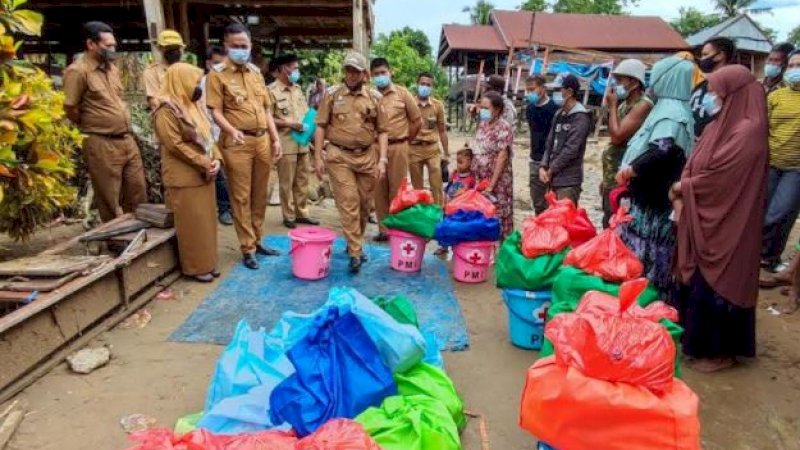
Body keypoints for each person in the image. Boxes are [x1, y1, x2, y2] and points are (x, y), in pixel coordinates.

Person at [672, 65, 769, 372]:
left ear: (735, 93)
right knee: (699, 280)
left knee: (722, 280)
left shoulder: (748, 131)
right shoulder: (721, 123)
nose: (711, 96)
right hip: (706, 218)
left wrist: (684, 187)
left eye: (716, 91)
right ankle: (698, 345)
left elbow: (722, 178)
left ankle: (721, 352)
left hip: (728, 223)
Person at [615, 55, 694, 296]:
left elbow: (662, 149)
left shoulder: (670, 112)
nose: (651, 83)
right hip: (651, 195)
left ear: (667, 78)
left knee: (647, 256)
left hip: (654, 200)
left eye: (655, 77)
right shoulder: (668, 108)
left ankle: (645, 303)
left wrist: (632, 168)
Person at [206, 23, 283, 270]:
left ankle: (258, 240)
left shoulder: (256, 73)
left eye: (244, 46)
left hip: (261, 140)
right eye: (235, 46)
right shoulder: (216, 75)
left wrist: (275, 138)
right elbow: (215, 111)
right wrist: (231, 130)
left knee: (260, 194)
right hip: (237, 143)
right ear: (226, 46)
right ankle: (247, 247)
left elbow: (266, 110)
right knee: (240, 196)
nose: (240, 50)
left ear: (250, 46)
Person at [63, 21, 147, 223]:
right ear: (91, 44)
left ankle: (137, 236)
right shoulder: (78, 71)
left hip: (127, 139)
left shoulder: (113, 70)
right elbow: (70, 107)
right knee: (109, 197)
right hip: (101, 142)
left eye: (114, 45)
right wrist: (92, 125)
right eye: (108, 45)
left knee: (138, 190)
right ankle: (114, 241)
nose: (113, 49)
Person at [314, 51, 389, 273]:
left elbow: (383, 131)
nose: (351, 75)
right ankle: (356, 251)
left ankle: (352, 242)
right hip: (339, 156)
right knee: (349, 203)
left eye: (356, 71)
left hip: (367, 156)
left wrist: (382, 158)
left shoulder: (375, 97)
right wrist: (318, 156)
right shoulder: (332, 95)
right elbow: (320, 126)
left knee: (365, 204)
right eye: (348, 70)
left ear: (364, 74)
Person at [152, 62, 221, 282]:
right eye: (194, 82)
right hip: (184, 176)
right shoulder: (166, 110)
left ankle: (207, 263)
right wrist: (203, 161)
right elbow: (174, 145)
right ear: (180, 82)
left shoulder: (192, 107)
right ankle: (195, 267)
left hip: (203, 174)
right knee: (192, 225)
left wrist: (216, 159)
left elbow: (209, 136)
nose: (197, 87)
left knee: (206, 223)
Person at [370, 57, 422, 242]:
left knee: (397, 190)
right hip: (375, 148)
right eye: (376, 74)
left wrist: (407, 139)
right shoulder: (369, 95)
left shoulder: (402, 94)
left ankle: (398, 230)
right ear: (370, 76)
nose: (380, 77)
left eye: (383, 73)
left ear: (390, 72)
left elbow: (417, 121)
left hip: (399, 146)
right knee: (378, 190)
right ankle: (383, 230)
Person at [268, 54, 320, 229]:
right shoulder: (272, 91)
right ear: (283, 69)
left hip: (302, 143)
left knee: (303, 180)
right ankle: (288, 215)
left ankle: (302, 213)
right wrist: (288, 123)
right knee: (286, 182)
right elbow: (267, 119)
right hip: (285, 143)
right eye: (294, 68)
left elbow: (306, 115)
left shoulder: (298, 89)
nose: (297, 71)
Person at [601, 59, 653, 228]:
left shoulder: (643, 105)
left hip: (625, 178)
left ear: (634, 82)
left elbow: (617, 136)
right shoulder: (625, 104)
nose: (617, 85)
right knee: (607, 220)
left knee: (618, 223)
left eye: (621, 80)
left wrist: (613, 106)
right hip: (612, 176)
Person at [761, 51, 800, 273]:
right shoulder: (776, 97)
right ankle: (767, 257)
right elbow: (764, 127)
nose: (795, 69)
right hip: (772, 162)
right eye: (792, 65)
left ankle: (769, 255)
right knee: (764, 212)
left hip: (796, 168)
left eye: (799, 65)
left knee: (781, 213)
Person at [539, 74, 592, 206]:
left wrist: (551, 170)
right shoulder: (559, 114)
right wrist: (543, 166)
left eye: (559, 90)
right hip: (552, 178)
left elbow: (571, 150)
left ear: (569, 92)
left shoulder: (580, 117)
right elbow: (549, 143)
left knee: (564, 221)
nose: (557, 93)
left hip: (568, 180)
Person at [471, 91, 514, 238]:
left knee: (498, 212)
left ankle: (499, 249)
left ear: (496, 110)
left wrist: (492, 185)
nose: (482, 111)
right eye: (481, 107)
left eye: (486, 108)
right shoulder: (483, 124)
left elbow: (502, 157)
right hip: (480, 178)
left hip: (498, 180)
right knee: (481, 210)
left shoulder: (504, 127)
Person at [201, 45, 233, 226]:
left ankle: (232, 208)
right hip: (209, 135)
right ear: (207, 64)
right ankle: (224, 209)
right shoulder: (200, 84)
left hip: (229, 134)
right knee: (218, 174)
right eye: (216, 64)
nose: (220, 68)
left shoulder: (229, 82)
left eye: (223, 65)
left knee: (232, 173)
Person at [409, 71, 449, 205]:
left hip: (432, 149)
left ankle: (439, 212)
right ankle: (421, 214)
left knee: (436, 182)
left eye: (428, 84)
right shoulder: (409, 104)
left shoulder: (438, 105)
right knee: (417, 186)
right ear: (417, 84)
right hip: (413, 149)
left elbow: (442, 130)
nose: (425, 87)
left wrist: (446, 153)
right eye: (422, 83)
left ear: (432, 87)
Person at [524, 75, 559, 214]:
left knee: (554, 202)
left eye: (532, 89)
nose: (529, 93)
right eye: (527, 90)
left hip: (552, 161)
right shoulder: (529, 109)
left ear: (543, 88)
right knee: (538, 202)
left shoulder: (554, 110)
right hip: (535, 160)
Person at [435, 146, 477, 256]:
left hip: (462, 210)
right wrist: (444, 203)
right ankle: (443, 246)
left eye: (461, 162)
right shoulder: (454, 174)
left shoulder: (472, 178)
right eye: (457, 162)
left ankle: (458, 247)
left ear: (470, 162)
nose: (458, 165)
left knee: (459, 228)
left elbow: (473, 195)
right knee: (446, 226)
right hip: (450, 207)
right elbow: (447, 189)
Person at [690, 37, 735, 138]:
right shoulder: (702, 83)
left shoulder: (732, 86)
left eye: (705, 55)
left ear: (720, 55)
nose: (702, 59)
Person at [142, 29, 185, 110]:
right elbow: (154, 102)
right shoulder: (152, 72)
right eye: (169, 47)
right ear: (160, 48)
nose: (174, 51)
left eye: (176, 47)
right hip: (167, 117)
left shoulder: (186, 70)